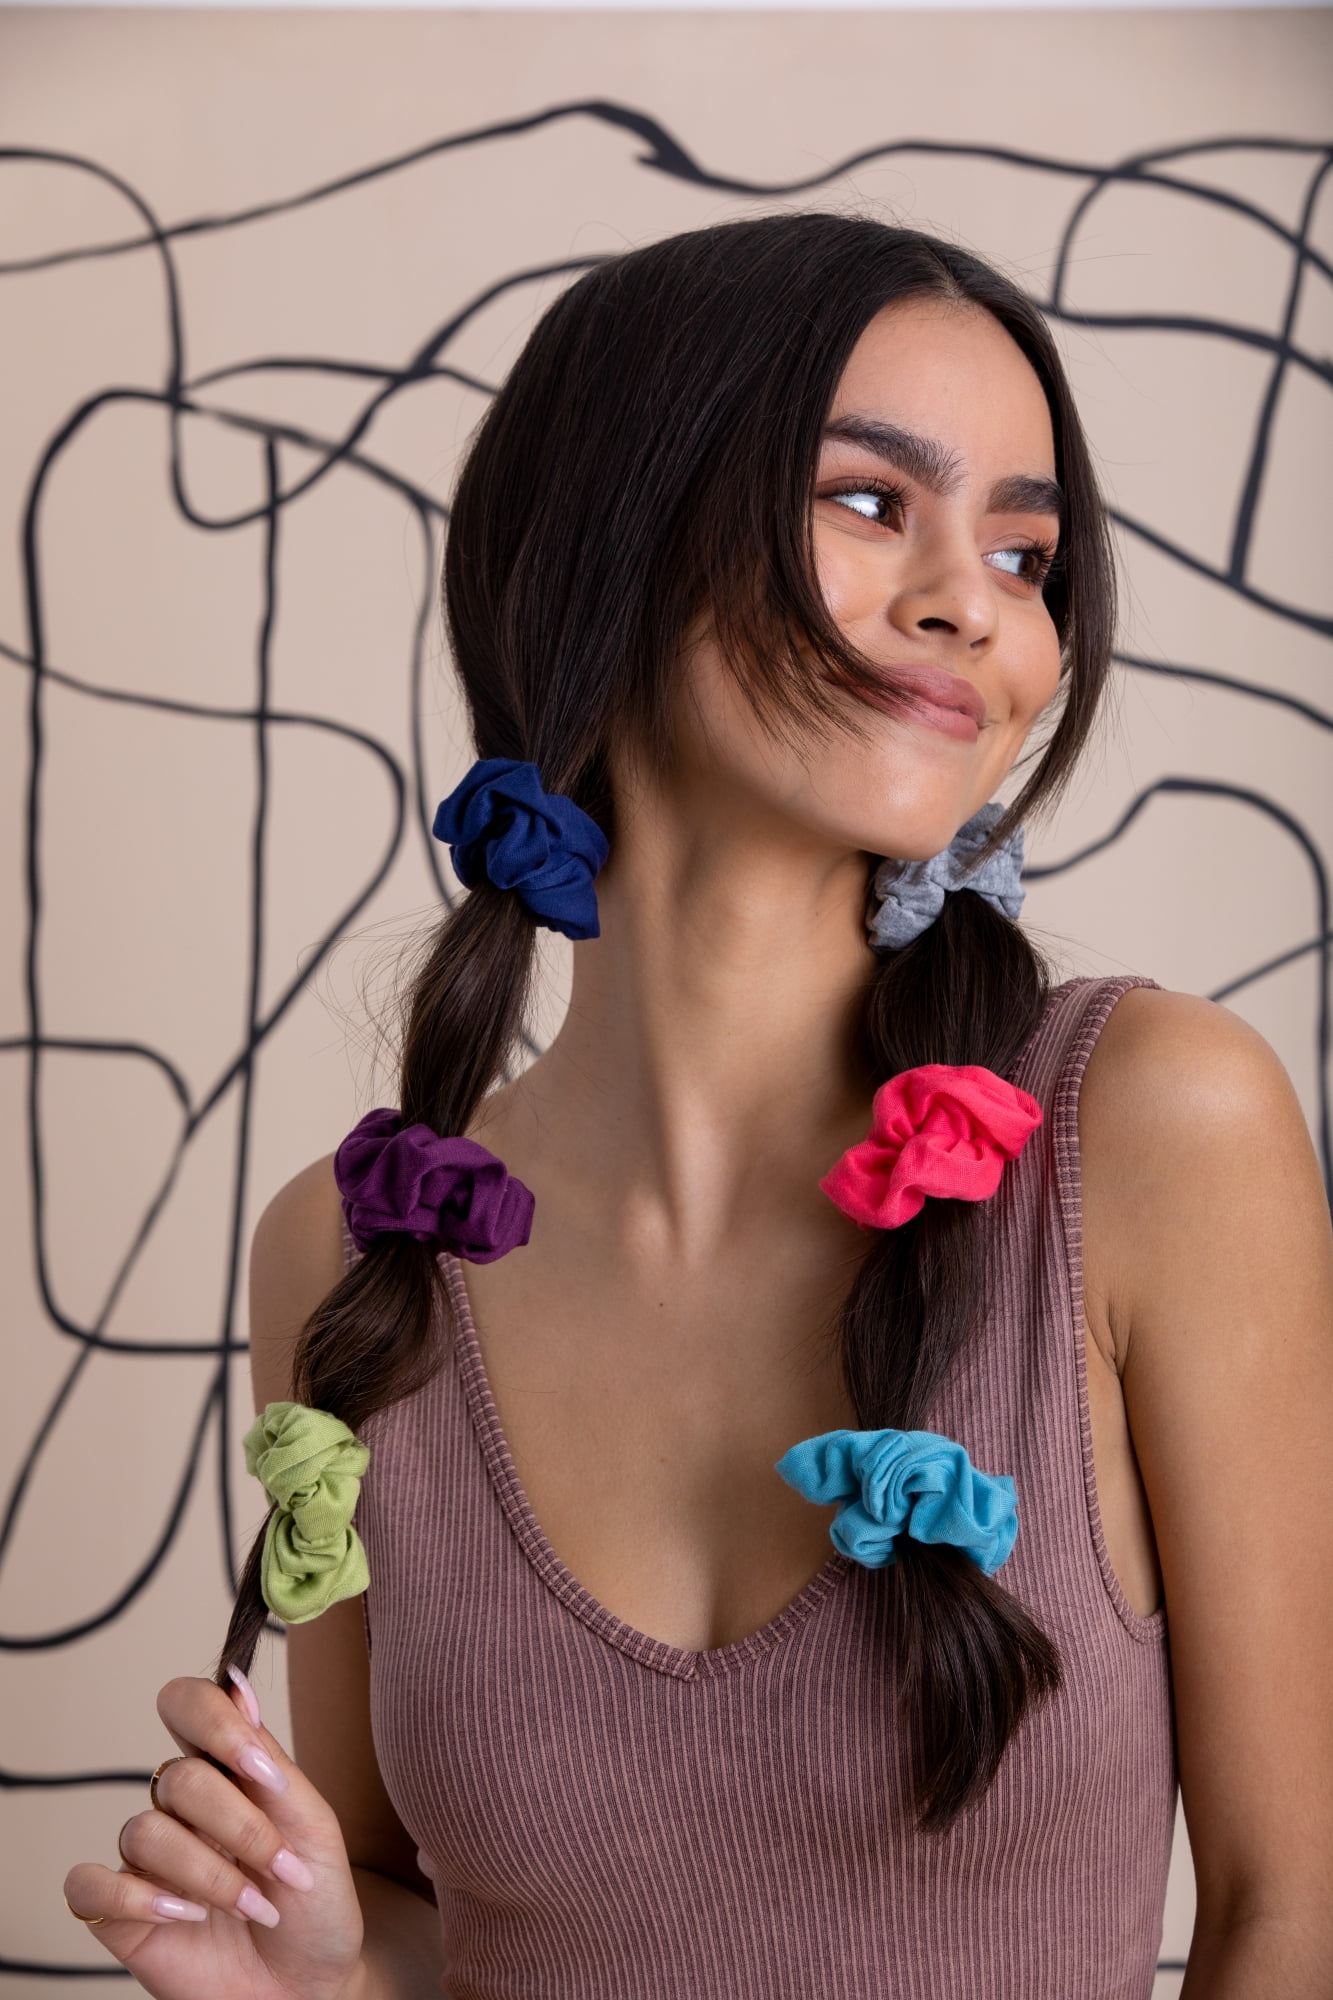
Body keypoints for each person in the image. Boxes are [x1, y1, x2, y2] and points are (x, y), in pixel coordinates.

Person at [64, 214, 1333, 1998]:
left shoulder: (1148, 1128)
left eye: (1025, 553)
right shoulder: (345, 1254)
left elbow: (1296, 1915)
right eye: (870, 502)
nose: (973, 603)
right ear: (615, 538)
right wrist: (332, 1977)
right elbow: (412, 1916)